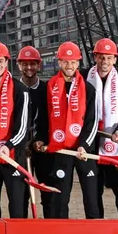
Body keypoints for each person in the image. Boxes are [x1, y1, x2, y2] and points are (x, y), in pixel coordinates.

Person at [32, 42, 99, 219]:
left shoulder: (89, 89)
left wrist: (84, 145)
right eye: (65, 61)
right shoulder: (49, 87)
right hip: (60, 150)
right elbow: (43, 119)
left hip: (83, 151)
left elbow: (92, 122)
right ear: (59, 62)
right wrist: (40, 138)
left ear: (78, 63)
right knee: (60, 198)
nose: (69, 66)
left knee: (92, 198)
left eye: (73, 62)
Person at [0, 42, 38, 219]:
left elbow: (23, 127)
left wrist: (9, 144)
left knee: (17, 206)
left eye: (1, 61)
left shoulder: (20, 90)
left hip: (12, 155)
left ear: (6, 62)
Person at [87, 38, 118, 219]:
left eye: (108, 58)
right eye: (101, 57)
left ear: (114, 59)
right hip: (91, 147)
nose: (104, 62)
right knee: (93, 195)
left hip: (116, 147)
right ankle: (95, 231)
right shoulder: (85, 78)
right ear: (95, 58)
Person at [12, 46, 48, 215]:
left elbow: (49, 120)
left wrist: (39, 139)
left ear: (38, 65)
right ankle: (21, 229)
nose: (29, 68)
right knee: (21, 193)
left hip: (42, 148)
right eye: (24, 64)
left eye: (32, 64)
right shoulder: (12, 89)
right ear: (19, 65)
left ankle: (50, 229)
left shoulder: (46, 90)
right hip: (20, 149)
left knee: (46, 189)